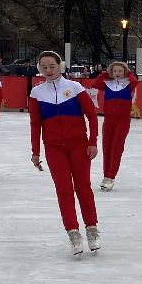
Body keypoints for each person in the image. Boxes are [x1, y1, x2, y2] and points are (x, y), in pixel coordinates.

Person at [29, 51, 101, 256]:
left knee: (83, 187)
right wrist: (35, 151)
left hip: (78, 145)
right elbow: (35, 124)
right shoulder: (37, 93)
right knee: (64, 190)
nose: (48, 70)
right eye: (44, 67)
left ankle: (92, 228)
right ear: (39, 68)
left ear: (60, 66)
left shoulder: (74, 87)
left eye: (52, 66)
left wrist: (92, 142)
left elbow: (92, 116)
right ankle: (73, 232)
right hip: (53, 148)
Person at [92, 60, 136, 190]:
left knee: (117, 148)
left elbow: (134, 81)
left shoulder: (128, 84)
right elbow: (95, 84)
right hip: (109, 121)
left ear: (125, 72)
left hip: (122, 122)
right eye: (115, 71)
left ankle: (111, 176)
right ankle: (106, 176)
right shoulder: (107, 84)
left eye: (120, 71)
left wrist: (128, 73)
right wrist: (106, 73)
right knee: (107, 148)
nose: (117, 73)